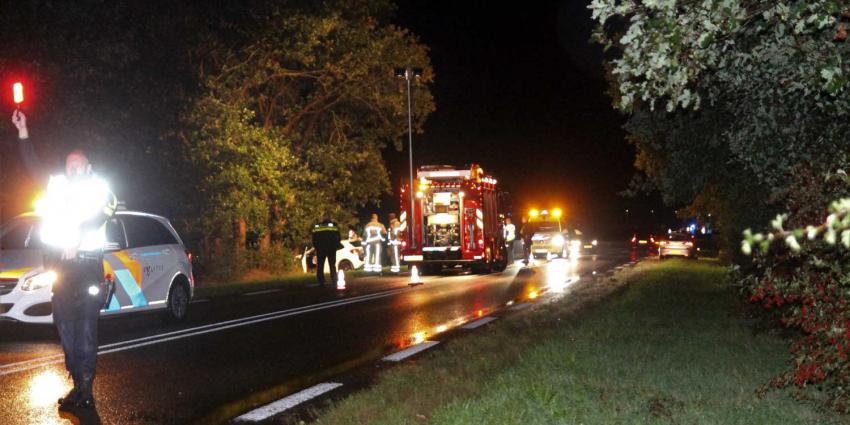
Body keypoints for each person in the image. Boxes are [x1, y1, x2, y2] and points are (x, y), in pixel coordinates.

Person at [15, 111, 118, 411]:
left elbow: (105, 211)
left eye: (78, 164)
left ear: (88, 167)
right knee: (65, 326)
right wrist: (23, 132)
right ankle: (77, 385)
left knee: (86, 327)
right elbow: (31, 165)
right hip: (61, 268)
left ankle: (87, 389)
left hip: (87, 267)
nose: (72, 168)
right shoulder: (56, 186)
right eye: (68, 164)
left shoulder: (100, 188)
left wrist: (76, 233)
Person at [311, 216, 342, 287]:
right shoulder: (334, 226)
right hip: (331, 249)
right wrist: (335, 245)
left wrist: (316, 247)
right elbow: (338, 237)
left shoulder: (317, 227)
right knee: (332, 265)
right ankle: (334, 280)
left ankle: (321, 281)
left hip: (320, 249)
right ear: (329, 220)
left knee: (320, 266)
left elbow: (313, 238)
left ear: (322, 220)